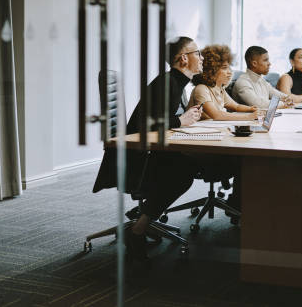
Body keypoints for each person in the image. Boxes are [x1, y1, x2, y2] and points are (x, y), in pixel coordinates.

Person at [92, 36, 205, 261]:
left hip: (145, 152)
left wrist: (184, 119)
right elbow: (149, 124)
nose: (201, 58)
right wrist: (181, 121)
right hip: (138, 159)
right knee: (185, 171)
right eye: (198, 53)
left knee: (191, 163)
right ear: (184, 58)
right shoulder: (167, 83)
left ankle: (145, 212)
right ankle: (138, 229)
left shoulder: (176, 82)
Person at [188, 44, 259, 121]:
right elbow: (217, 115)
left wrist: (253, 109)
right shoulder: (201, 89)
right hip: (197, 131)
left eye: (229, 68)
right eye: (224, 68)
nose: (230, 72)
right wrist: (249, 117)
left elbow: (236, 106)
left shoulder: (220, 89)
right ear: (211, 70)